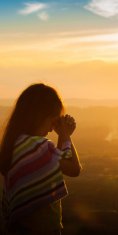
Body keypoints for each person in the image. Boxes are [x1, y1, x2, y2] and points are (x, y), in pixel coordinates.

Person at [0, 83, 82, 235]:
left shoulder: (14, 145)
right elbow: (74, 169)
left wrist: (63, 137)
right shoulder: (40, 147)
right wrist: (65, 135)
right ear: (39, 117)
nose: (52, 128)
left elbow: (54, 164)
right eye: (53, 121)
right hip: (43, 229)